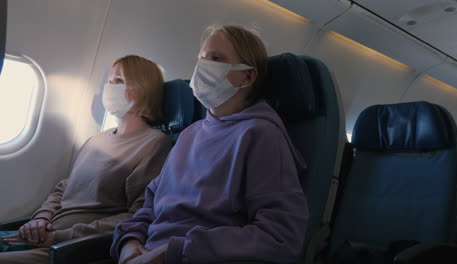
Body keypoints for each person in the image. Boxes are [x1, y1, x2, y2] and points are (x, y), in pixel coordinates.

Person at [111, 25, 309, 264]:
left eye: (216, 59)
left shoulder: (261, 135)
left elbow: (280, 236)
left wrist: (170, 253)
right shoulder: (188, 135)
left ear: (247, 76)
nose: (202, 66)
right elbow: (150, 206)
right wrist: (129, 243)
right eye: (201, 59)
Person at [0, 55, 172, 263]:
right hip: (43, 233)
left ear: (143, 87)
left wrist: (59, 237)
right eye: (109, 81)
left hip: (71, 247)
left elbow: (136, 215)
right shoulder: (96, 140)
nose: (109, 88)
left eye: (118, 81)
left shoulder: (154, 144)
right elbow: (64, 188)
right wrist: (40, 219)